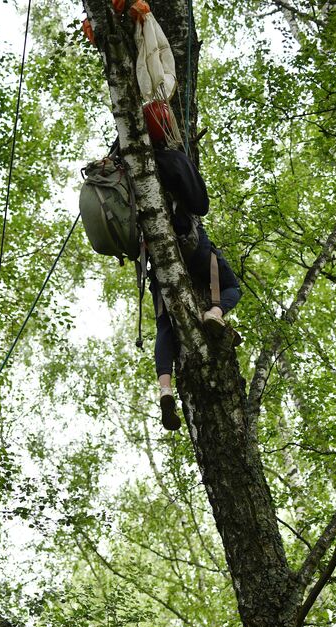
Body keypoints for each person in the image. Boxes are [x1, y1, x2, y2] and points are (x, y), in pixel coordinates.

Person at [144, 101, 242, 431]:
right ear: (166, 127)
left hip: (155, 260)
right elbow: (201, 204)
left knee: (164, 326)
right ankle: (214, 312)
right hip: (188, 242)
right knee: (231, 286)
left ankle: (165, 389)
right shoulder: (172, 158)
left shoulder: (125, 166)